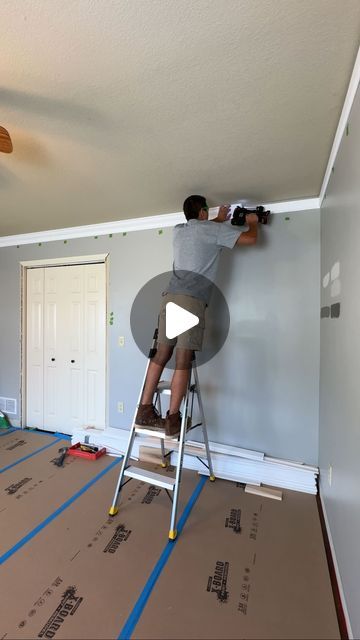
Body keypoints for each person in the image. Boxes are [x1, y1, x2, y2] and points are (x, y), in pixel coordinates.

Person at [135, 195, 259, 437]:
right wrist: (253, 221)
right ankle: (172, 420)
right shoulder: (213, 232)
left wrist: (218, 219)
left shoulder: (179, 231)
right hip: (191, 302)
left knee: (161, 354)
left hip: (169, 297)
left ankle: (145, 410)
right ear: (203, 212)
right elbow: (250, 239)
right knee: (183, 360)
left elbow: (200, 227)